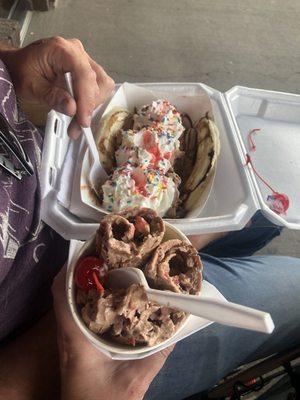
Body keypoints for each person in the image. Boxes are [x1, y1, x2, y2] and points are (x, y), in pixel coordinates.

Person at [0, 37, 299, 400]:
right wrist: (73, 336)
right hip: (70, 345)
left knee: (266, 209)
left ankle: (222, 256)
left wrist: (11, 67)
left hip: (63, 172)